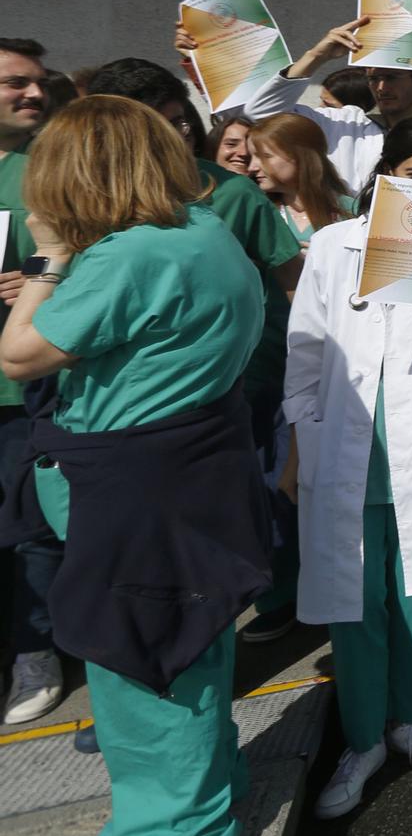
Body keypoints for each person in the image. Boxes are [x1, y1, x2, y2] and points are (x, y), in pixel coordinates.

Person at [1, 95, 268, 836]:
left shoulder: (131, 255)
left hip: (131, 492)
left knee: (143, 665)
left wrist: (49, 261)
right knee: (189, 651)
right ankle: (200, 800)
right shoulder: (202, 231)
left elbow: (18, 356)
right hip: (191, 473)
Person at [282, 119, 412, 817]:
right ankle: (364, 738)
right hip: (347, 446)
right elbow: (305, 344)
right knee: (355, 601)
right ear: (386, 173)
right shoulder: (337, 244)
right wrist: (299, 433)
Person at [87, 57, 306, 643]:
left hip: (243, 390)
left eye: (181, 123)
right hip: (129, 413)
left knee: (239, 520)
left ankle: (235, 626)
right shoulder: (88, 199)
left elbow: (295, 283)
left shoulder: (229, 196)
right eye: (156, 126)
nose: (173, 138)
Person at [0, 37, 62, 726]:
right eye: (16, 83)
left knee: (35, 528)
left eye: (40, 83)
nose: (35, 94)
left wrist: (42, 277)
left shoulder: (48, 169)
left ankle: (37, 652)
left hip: (29, 387)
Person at [221, 15, 412, 190]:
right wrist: (317, 56)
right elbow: (261, 114)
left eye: (392, 77)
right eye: (373, 78)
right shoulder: (343, 123)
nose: (381, 87)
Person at [248, 114, 355, 246]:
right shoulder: (258, 213)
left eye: (265, 156)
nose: (252, 167)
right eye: (251, 157)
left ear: (300, 156)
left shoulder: (352, 212)